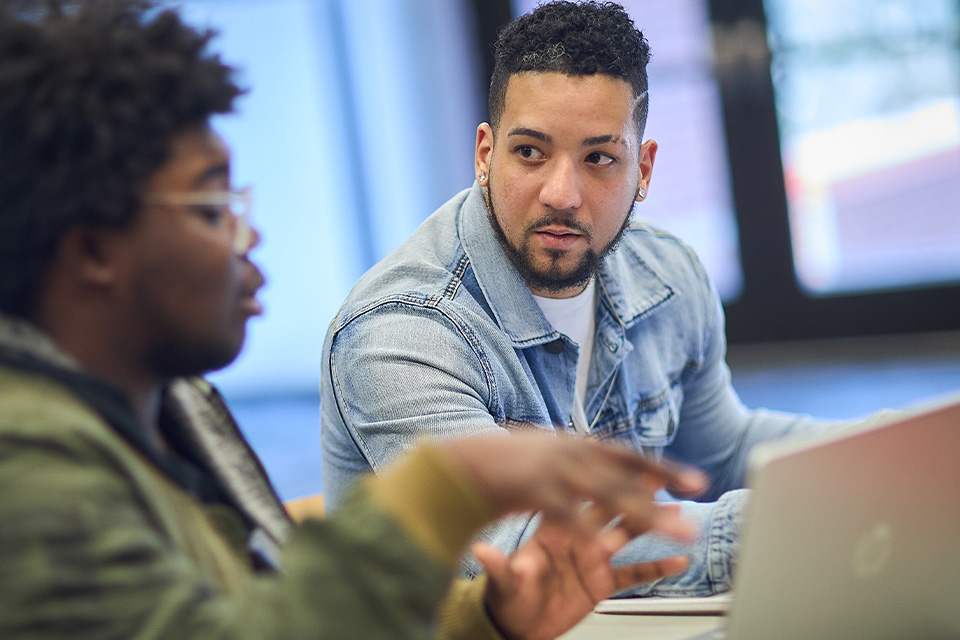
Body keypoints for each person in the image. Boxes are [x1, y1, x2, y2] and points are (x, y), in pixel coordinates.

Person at [0, 2, 709, 639]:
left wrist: (487, 616)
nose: (248, 239)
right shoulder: (30, 475)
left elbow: (250, 605)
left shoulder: (171, 404)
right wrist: (450, 481)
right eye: (213, 210)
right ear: (92, 250)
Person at [320, 0, 855, 597]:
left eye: (599, 158)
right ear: (484, 154)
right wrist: (801, 524)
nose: (562, 193)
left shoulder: (667, 275)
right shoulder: (402, 331)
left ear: (643, 170)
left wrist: (891, 462)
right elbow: (523, 546)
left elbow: (723, 452)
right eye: (530, 152)